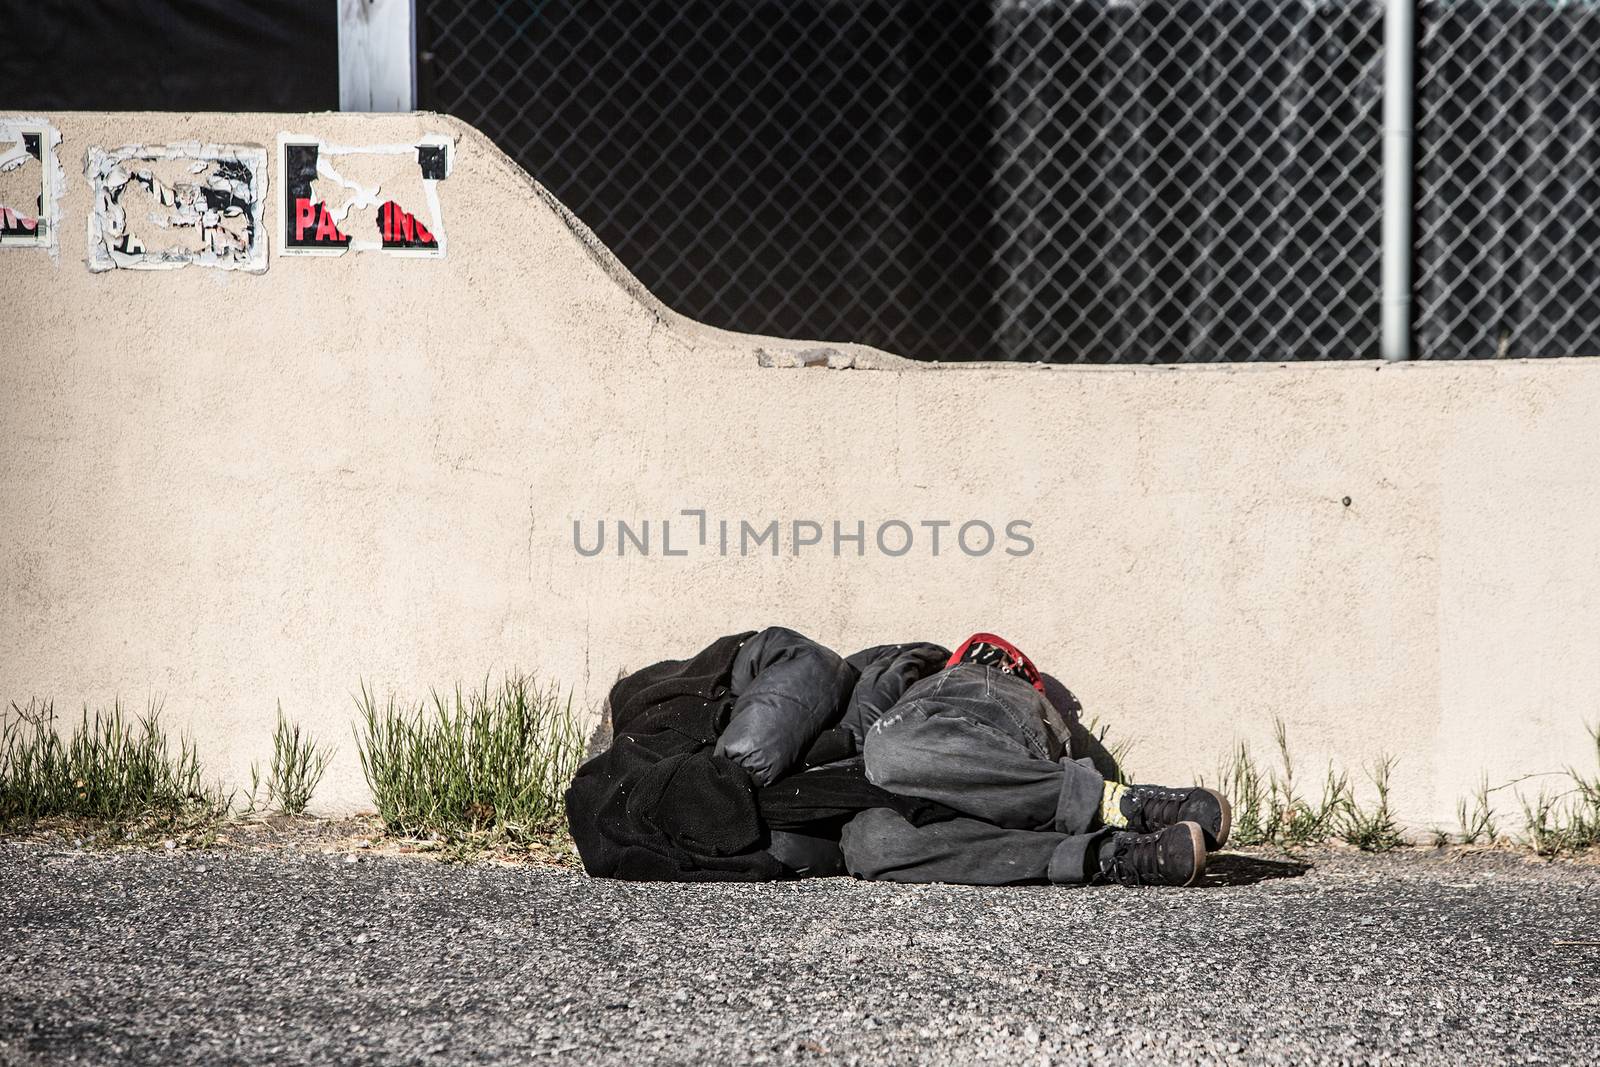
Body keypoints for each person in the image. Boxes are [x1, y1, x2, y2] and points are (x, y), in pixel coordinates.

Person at [565, 627, 1230, 887]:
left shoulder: (747, 673)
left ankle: (1125, 801)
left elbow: (809, 683)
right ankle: (1109, 855)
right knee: (873, 846)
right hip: (903, 788)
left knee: (890, 747)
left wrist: (730, 780)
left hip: (967, 705)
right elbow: (801, 850)